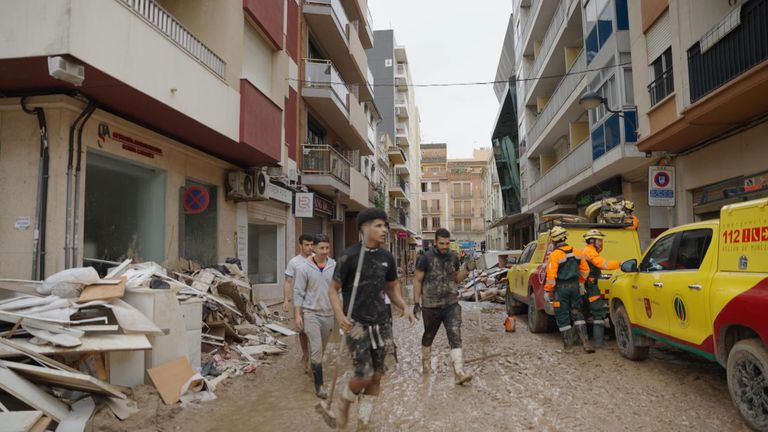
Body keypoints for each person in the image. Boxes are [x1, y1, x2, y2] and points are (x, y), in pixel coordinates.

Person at [328, 208, 416, 429]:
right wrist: (339, 316)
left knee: (377, 376)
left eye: (384, 225)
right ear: (363, 228)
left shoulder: (387, 257)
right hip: (356, 324)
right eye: (378, 225)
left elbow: (392, 289)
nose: (384, 230)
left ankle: (363, 422)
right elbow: (333, 289)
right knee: (365, 374)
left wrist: (404, 306)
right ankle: (345, 399)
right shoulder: (349, 256)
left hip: (382, 323)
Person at [412, 228, 474, 385]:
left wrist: (466, 269)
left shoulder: (453, 257)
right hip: (431, 306)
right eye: (442, 243)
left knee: (455, 335)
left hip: (451, 304)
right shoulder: (425, 258)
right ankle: (426, 366)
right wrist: (416, 303)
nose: (445, 246)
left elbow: (456, 279)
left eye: (447, 243)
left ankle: (459, 372)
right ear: (435, 242)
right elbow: (417, 280)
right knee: (428, 336)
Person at [293, 234, 336, 399]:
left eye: (327, 248)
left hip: (328, 314)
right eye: (321, 248)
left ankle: (313, 367)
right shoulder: (304, 267)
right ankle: (319, 386)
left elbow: (337, 291)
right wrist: (298, 315)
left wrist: (341, 314)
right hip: (310, 313)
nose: (325, 251)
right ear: (314, 249)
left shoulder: (334, 266)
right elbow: (298, 292)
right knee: (316, 349)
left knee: (322, 349)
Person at [543, 226, 592, 353]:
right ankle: (586, 343)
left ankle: (568, 347)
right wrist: (580, 283)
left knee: (562, 316)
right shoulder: (577, 251)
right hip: (575, 288)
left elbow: (551, 277)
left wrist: (548, 291)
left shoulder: (554, 255)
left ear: (554, 241)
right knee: (578, 314)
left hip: (561, 290)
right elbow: (586, 271)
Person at [582, 229, 620, 348]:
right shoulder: (590, 251)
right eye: (599, 240)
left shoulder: (588, 250)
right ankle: (599, 343)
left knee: (583, 313)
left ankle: (576, 340)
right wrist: (620, 264)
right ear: (592, 241)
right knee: (598, 314)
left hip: (586, 286)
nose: (601, 243)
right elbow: (603, 264)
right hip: (590, 287)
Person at [283, 234, 315, 371]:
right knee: (302, 330)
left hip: (316, 301)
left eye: (311, 244)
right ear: (300, 245)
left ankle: (315, 356)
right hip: (300, 301)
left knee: (314, 330)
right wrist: (286, 300)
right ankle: (306, 354)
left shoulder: (317, 259)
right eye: (306, 245)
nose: (309, 247)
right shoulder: (294, 262)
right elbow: (288, 281)